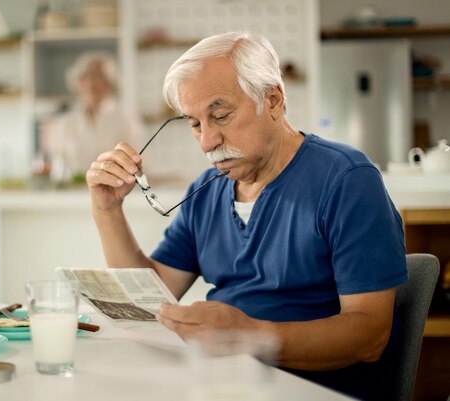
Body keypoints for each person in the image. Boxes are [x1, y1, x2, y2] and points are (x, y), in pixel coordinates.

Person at [85, 31, 407, 401]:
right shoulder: (207, 190)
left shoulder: (346, 180)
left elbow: (370, 336)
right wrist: (106, 209)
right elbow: (145, 302)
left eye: (220, 115)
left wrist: (250, 335)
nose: (207, 142)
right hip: (223, 385)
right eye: (194, 124)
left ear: (272, 100)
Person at [42, 51, 144, 182]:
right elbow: (56, 165)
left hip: (114, 192)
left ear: (111, 83)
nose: (91, 82)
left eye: (99, 77)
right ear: (77, 82)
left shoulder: (127, 121)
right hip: (71, 195)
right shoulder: (64, 123)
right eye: (86, 76)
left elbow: (139, 165)